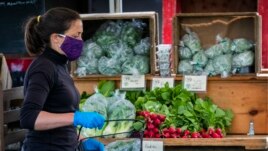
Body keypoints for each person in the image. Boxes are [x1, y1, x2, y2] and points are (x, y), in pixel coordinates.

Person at [20, 7, 105, 151]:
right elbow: (29, 117)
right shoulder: (43, 68)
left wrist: (81, 141)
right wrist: (75, 118)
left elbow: (59, 111)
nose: (80, 41)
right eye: (76, 35)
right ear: (56, 38)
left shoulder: (60, 65)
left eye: (81, 35)